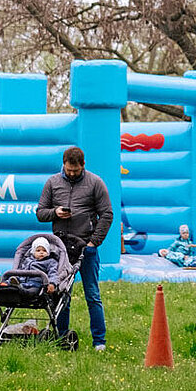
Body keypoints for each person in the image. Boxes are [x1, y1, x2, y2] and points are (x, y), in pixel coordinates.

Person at [36, 146, 114, 351]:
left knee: (92, 295)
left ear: (83, 165)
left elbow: (106, 215)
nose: (71, 174)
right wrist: (55, 212)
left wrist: (93, 242)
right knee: (61, 294)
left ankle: (99, 341)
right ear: (63, 164)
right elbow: (40, 213)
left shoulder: (95, 183)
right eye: (68, 170)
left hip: (85, 247)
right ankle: (61, 338)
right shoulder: (52, 182)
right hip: (60, 249)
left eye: (76, 171)